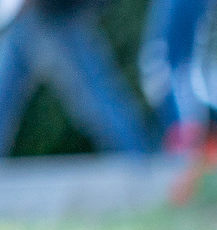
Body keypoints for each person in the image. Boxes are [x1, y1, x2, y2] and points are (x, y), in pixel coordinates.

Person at [0, 0, 155, 157]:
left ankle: (137, 158)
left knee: (99, 100)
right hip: (33, 18)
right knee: (99, 98)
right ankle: (136, 156)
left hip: (52, 17)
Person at [138, 0, 217, 155]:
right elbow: (179, 67)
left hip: (185, 79)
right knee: (190, 140)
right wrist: (188, 122)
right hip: (171, 85)